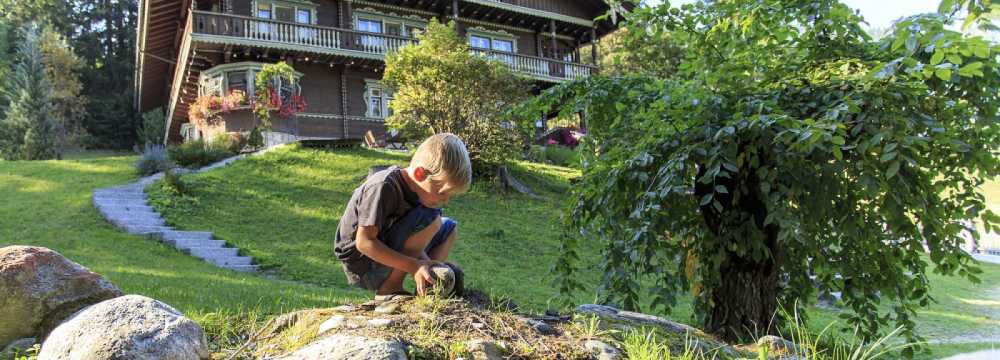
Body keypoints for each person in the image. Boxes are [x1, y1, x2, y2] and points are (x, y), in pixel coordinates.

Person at [334, 133, 472, 300]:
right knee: (432, 220)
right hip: (364, 265)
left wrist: (427, 263)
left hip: (388, 254)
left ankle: (430, 286)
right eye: (441, 192)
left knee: (449, 228)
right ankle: (389, 289)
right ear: (420, 174)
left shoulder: (417, 190)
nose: (445, 199)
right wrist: (414, 266)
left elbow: (410, 240)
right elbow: (364, 243)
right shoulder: (383, 186)